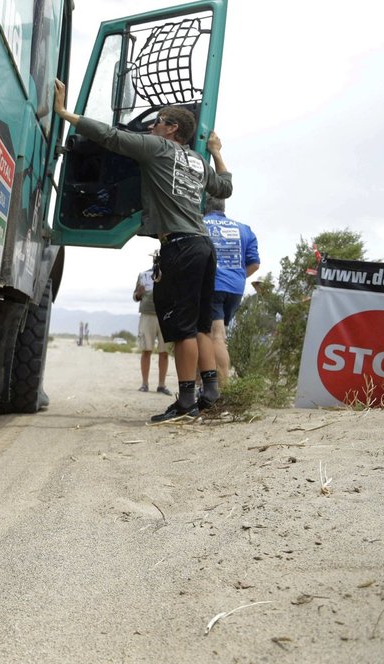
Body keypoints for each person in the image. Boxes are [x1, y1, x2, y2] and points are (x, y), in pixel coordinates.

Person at [53, 79, 232, 423]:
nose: (152, 126)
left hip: (178, 246)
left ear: (172, 129)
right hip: (203, 246)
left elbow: (111, 137)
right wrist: (216, 151)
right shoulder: (197, 161)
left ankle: (185, 401)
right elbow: (225, 186)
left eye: (158, 121)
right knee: (200, 326)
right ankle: (210, 391)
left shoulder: (157, 148)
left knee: (180, 331)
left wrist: (65, 114)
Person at [204, 197, 260, 387]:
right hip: (235, 288)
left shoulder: (200, 224)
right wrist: (235, 277)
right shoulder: (244, 229)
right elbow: (254, 264)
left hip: (212, 286)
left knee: (215, 336)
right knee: (218, 335)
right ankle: (205, 385)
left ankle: (221, 390)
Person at [133, 264, 171, 395]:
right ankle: (145, 384)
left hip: (165, 316)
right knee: (146, 350)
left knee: (164, 352)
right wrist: (139, 293)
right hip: (147, 314)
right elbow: (135, 297)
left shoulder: (170, 274)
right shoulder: (143, 275)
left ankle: (161, 385)